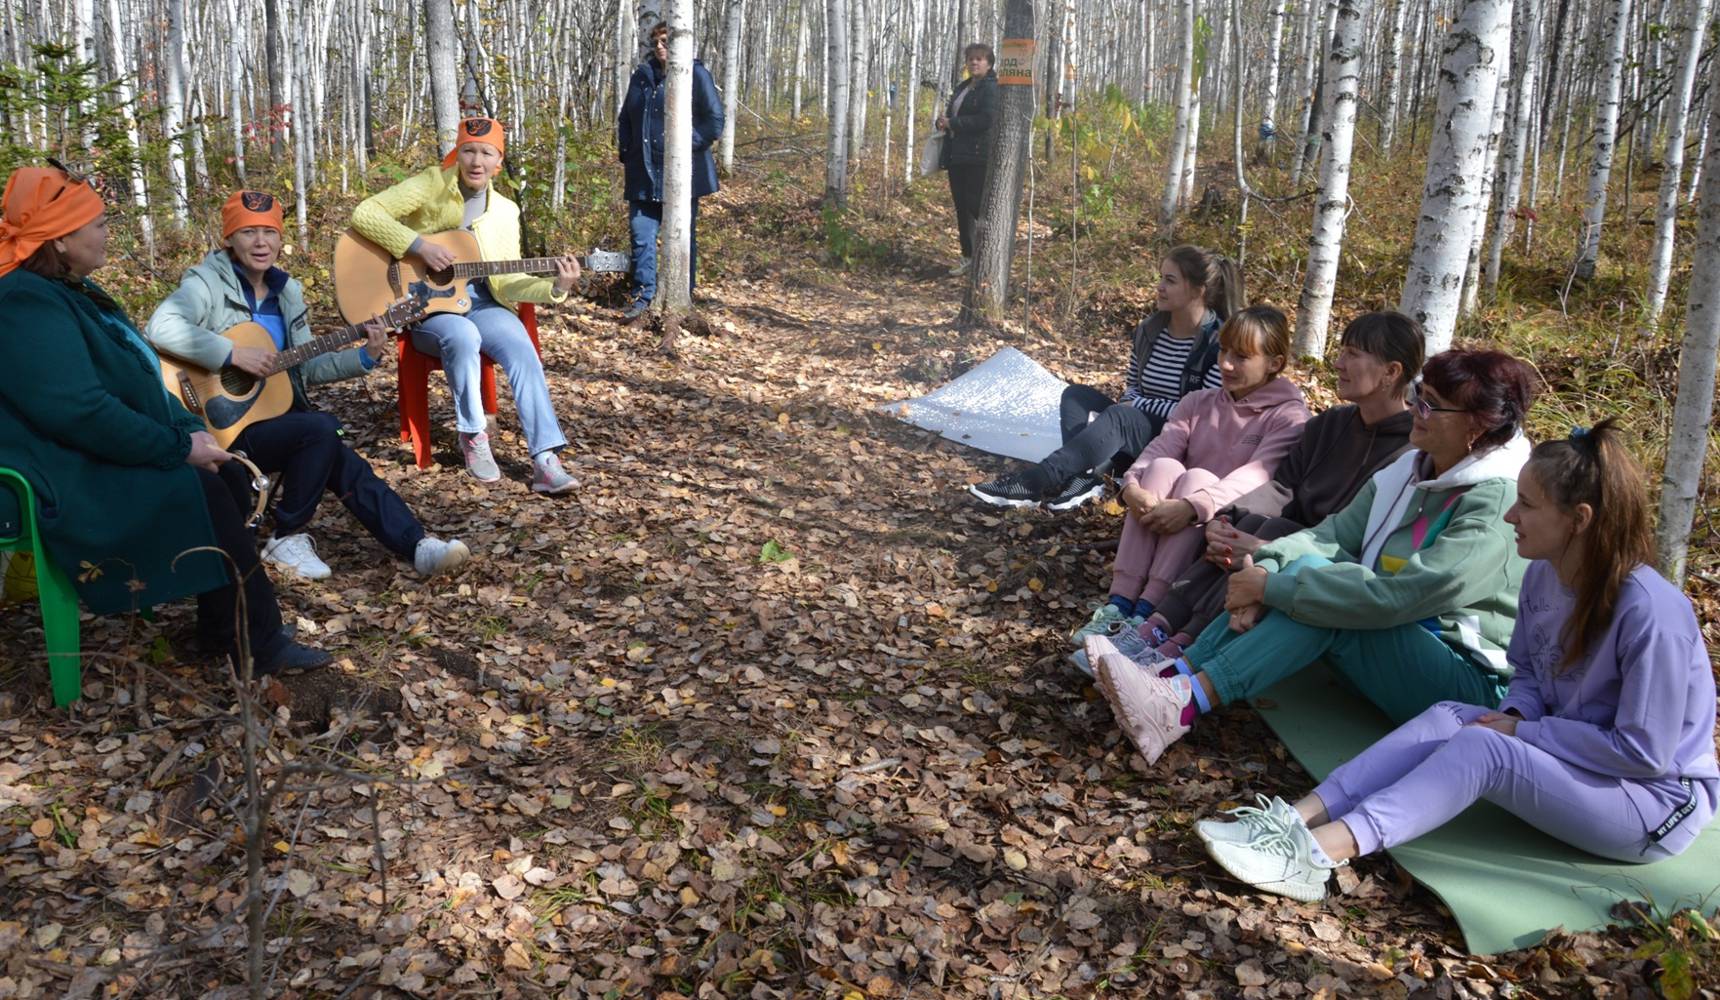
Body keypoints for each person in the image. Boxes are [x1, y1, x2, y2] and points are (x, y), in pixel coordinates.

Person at [1198, 421, 1718, 902]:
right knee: (1453, 714)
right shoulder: (1544, 574)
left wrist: (1521, 735)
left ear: (1578, 520)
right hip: (1575, 754)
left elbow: (1644, 753)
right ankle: (1295, 819)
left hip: (1651, 804)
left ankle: (1318, 855)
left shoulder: (1652, 613)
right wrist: (1517, 715)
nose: (1511, 516)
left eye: (1528, 506)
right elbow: (1531, 674)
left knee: (1485, 748)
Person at [1088, 349, 1540, 765]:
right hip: (1396, 641)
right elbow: (1333, 534)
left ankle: (1180, 703)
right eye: (1419, 396)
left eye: (1430, 404)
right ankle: (1171, 675)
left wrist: (1276, 587)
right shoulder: (1413, 468)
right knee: (1309, 572)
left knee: (1325, 593)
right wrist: (1261, 571)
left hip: (1465, 677)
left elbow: (1403, 595)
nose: (1415, 410)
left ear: (1477, 426)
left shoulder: (1497, 501)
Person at [0, 165, 328, 675]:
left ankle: (223, 629)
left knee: (230, 473)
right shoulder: (24, 303)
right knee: (208, 487)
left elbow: (137, 381)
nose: (108, 233)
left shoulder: (65, 292)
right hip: (57, 470)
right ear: (62, 240)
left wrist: (189, 427)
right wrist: (177, 448)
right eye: (100, 224)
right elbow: (80, 411)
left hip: (83, 448)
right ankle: (257, 642)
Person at [147, 190, 470, 582]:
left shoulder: (288, 292)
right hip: (216, 426)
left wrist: (365, 356)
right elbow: (161, 327)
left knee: (334, 448)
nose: (262, 242)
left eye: (270, 232)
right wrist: (231, 354)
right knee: (320, 429)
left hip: (272, 418)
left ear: (281, 239)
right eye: (248, 232)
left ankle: (417, 544)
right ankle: (288, 536)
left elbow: (304, 368)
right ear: (229, 238)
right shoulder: (207, 282)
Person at [1104, 312, 1422, 666]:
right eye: (1341, 351)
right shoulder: (1330, 425)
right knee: (1244, 524)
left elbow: (1360, 538)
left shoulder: (1409, 451)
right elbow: (1283, 486)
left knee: (1269, 530)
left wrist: (1270, 545)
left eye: (1352, 354)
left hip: (1327, 560)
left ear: (1391, 372)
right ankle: (1156, 624)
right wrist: (1227, 518)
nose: (1338, 362)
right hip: (1282, 538)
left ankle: (1183, 642)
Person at [1067, 305, 1309, 667]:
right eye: (1223, 352)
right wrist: (1132, 486)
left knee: (1199, 479)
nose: (1226, 364)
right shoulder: (1198, 402)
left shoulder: (1288, 416)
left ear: (1274, 363)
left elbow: (1257, 475)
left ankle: (1147, 611)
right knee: (1163, 466)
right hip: (1170, 514)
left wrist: (1194, 505)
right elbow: (1159, 448)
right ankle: (1119, 604)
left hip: (1221, 524)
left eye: (1241, 357)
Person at [351, 117, 582, 493]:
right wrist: (418, 246)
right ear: (457, 155)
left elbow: (508, 280)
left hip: (483, 303)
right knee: (462, 335)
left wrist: (555, 286)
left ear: (498, 162)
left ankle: (545, 458)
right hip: (427, 306)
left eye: (486, 153)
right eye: (468, 151)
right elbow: (365, 214)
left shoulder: (506, 211)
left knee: (521, 345)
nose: (476, 161)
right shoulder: (430, 184)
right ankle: (473, 435)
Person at [969, 245, 1242, 512]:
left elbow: (1202, 412)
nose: (1159, 286)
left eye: (1169, 281)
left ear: (1198, 291)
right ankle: (1085, 476)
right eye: (1160, 277)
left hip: (1181, 438)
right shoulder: (1149, 330)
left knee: (1121, 417)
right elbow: (1133, 386)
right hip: (1139, 423)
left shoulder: (1217, 344)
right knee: (1075, 396)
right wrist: (1134, 404)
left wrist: (1138, 407)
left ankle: (1035, 481)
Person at [617, 19, 725, 319]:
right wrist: (627, 150)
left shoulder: (696, 74)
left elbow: (714, 121)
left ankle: (681, 295)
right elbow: (625, 117)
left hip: (682, 175)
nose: (661, 48)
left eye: (667, 41)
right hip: (642, 173)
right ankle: (643, 298)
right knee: (641, 236)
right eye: (657, 43)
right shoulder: (641, 76)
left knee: (681, 236)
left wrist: (685, 144)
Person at [937, 43, 997, 277]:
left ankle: (988, 254)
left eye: (979, 59)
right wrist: (943, 121)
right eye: (971, 59)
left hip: (977, 154)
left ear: (989, 63)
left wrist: (955, 124)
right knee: (961, 206)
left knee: (975, 204)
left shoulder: (991, 87)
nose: (974, 62)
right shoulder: (964, 86)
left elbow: (986, 120)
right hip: (957, 154)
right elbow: (953, 113)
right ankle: (968, 257)